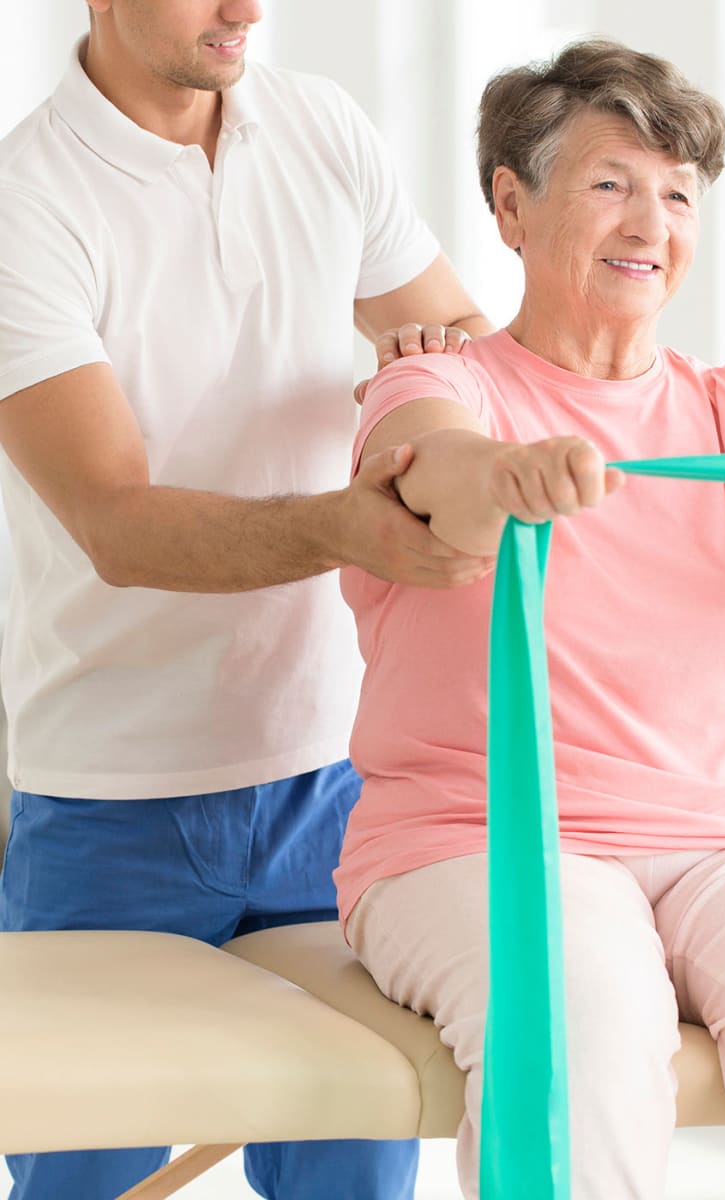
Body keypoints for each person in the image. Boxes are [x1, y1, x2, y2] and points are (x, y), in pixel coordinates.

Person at [0, 2, 496, 1198]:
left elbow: (467, 344)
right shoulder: (26, 200)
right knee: (84, 1178)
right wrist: (348, 527)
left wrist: (434, 371)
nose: (246, 9)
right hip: (113, 802)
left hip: (337, 782)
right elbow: (117, 522)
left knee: (355, 1177)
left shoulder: (320, 125)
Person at [335, 36, 725, 1200]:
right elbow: (427, 476)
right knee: (581, 1031)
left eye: (676, 194)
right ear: (508, 204)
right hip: (482, 838)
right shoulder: (441, 384)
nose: (649, 222)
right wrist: (500, 478)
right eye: (609, 184)